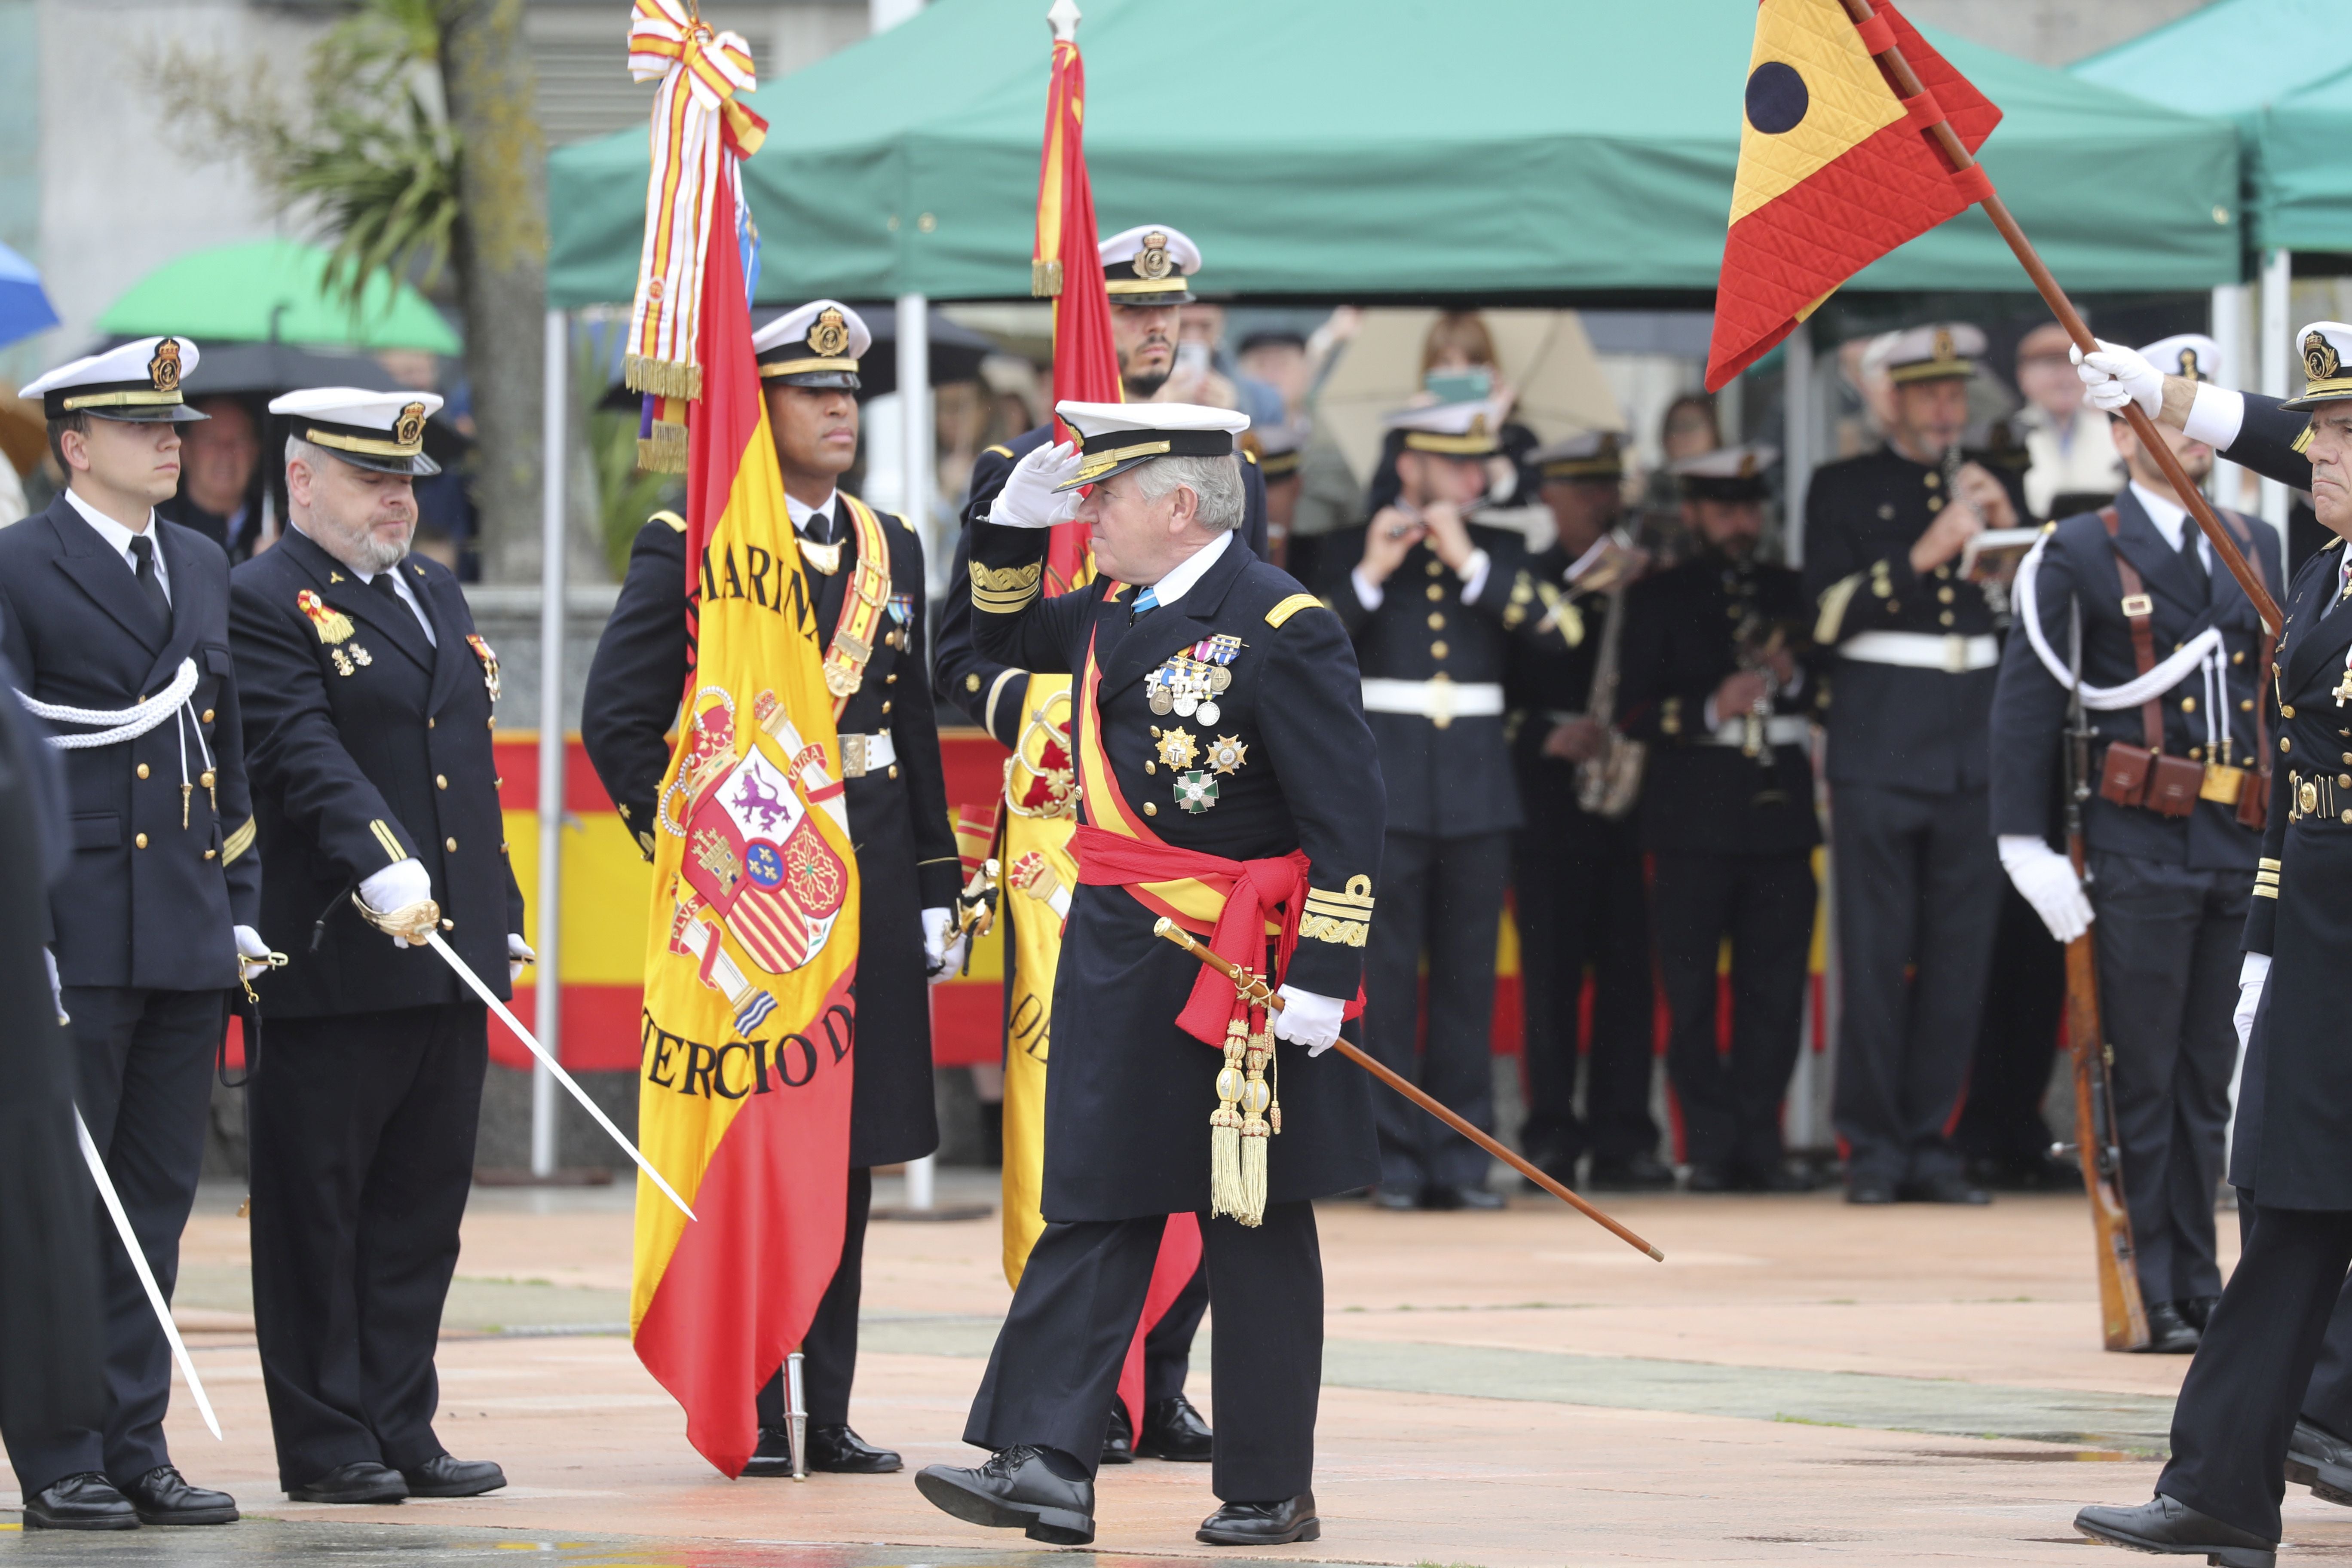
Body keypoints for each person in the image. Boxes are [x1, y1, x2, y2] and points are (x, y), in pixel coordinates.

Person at [914, 400, 1381, 1548]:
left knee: (1253, 1222)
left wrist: (1324, 971)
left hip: (1245, 978)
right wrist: (1004, 529)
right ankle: (1045, 1465)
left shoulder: (1285, 624)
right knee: (1094, 1200)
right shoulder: (1114, 614)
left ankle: (1269, 1488)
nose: (1090, 515)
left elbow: (1350, 818)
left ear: (1180, 507)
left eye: (1104, 498)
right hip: (1125, 959)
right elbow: (985, 646)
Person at [583, 300, 960, 1478]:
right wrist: (704, 863)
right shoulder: (693, 538)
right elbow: (620, 721)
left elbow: (914, 725)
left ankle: (829, 1405)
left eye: (851, 391)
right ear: (761, 408)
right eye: (814, 391)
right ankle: (751, 1389)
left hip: (878, 879)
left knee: (845, 1156)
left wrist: (940, 885)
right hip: (758, 903)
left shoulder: (888, 543)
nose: (842, 408)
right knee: (758, 1138)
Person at [935, 225, 1260, 1468]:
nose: (1156, 331)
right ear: (1084, 319)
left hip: (1184, 833)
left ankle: (1162, 1378)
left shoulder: (1217, 452)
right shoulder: (1030, 464)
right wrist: (1035, 705)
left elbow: (1241, 637)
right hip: (1066, 839)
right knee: (1076, 1120)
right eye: (1129, 312)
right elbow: (972, 652)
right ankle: (1080, 1398)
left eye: (1170, 310)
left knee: (1198, 1129)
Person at [2070, 321, 2352, 1565]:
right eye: (2327, 433)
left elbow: (2279, 445)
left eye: (2344, 438)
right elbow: (2304, 787)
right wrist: (2269, 940)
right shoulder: (2331, 568)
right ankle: (2225, 1486)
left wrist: (2182, 394)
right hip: (2329, 934)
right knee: (2290, 1205)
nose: (2320, 456)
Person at [224, 388, 515, 1504]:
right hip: (339, 953)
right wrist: (381, 859)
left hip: (445, 957)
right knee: (317, 1213)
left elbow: (463, 771)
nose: (398, 497)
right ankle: (328, 1438)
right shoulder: (265, 596)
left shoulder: (433, 588)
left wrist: (499, 909)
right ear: (303, 481)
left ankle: (404, 1422)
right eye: (371, 478)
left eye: (405, 477)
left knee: (418, 1208)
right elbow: (299, 749)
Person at [0, 337, 265, 1529]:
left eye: (175, 423)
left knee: (155, 1204)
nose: (174, 440)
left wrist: (242, 917)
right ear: (74, 446)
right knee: (60, 1206)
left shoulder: (201, 564)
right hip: (69, 935)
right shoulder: (19, 567)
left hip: (181, 932)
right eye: (143, 426)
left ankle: (133, 1440)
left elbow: (227, 756)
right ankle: (55, 1451)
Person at [1990, 335, 2275, 1355]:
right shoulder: (2078, 548)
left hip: (2233, 839)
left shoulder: (2253, 538)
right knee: (2140, 1076)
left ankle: (2200, 1285)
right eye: (2161, 411)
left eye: (2194, 411)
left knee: (2208, 1079)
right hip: (2136, 841)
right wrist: (2023, 844)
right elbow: (2028, 705)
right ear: (2120, 430)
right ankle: (2151, 1283)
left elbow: (2270, 709)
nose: (2185, 432)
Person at [1804, 323, 2025, 1206]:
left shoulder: (1993, 484)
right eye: (1930, 392)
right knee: (1875, 953)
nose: (1948, 408)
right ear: (1891, 398)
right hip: (1882, 746)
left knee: (1958, 959)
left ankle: (1934, 1143)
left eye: (1956, 392)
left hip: (1971, 745)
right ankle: (1872, 1146)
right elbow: (1822, 617)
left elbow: (2027, 617)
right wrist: (1922, 553)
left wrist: (2008, 536)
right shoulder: (1843, 487)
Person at [1319, 400, 1526, 1210]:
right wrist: (1369, 575)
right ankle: (1392, 1158)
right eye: (1456, 462)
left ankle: (1461, 1159)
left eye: (1480, 462)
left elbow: (1559, 630)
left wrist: (1473, 562)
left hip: (1478, 793)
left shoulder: (1498, 549)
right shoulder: (1350, 547)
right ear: (1409, 466)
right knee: (1388, 984)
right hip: (1388, 794)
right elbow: (1305, 641)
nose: (1475, 475)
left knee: (1469, 986)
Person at [1615, 447, 1820, 1191]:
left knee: (1775, 989)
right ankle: (1706, 1142)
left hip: (1780, 819)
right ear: (1694, 512)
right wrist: (1710, 705)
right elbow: (1631, 710)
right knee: (1693, 991)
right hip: (1690, 821)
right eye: (1724, 508)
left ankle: (1760, 1143)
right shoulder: (1660, 595)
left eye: (1749, 507)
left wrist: (1792, 683)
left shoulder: (1789, 590)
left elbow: (1829, 690)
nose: (1740, 522)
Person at [1504, 431, 1667, 1192]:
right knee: (1551, 975)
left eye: (1607, 487)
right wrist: (1543, 734)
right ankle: (1549, 1135)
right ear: (1548, 496)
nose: (1599, 501)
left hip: (1626, 790)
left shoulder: (1642, 580)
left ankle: (1623, 1135)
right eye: (1582, 488)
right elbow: (1496, 685)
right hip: (1545, 799)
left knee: (1630, 975)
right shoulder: (1528, 578)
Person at [2013, 321, 2126, 524]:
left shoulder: (2115, 431)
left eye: (2073, 365)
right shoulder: (2007, 435)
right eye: (2052, 365)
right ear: (2024, 376)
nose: (2065, 377)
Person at [158, 395, 264, 561]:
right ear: (184, 451)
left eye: (239, 441)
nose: (226, 452)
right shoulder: (159, 532)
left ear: (255, 451)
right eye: (210, 440)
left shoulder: (278, 529)